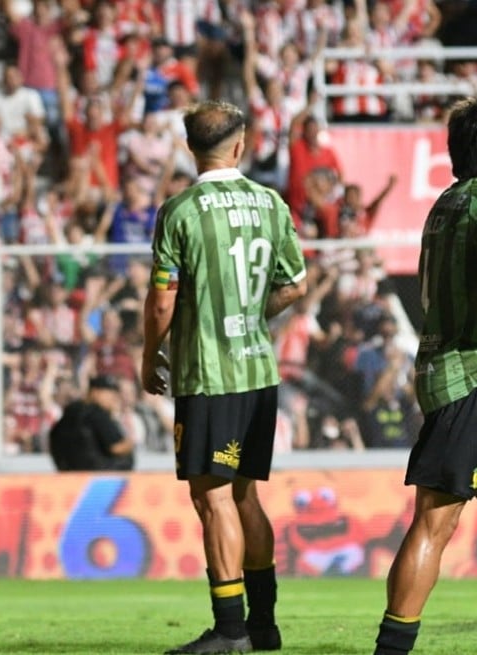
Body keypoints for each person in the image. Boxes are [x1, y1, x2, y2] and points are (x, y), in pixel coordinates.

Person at [141, 100, 308, 655]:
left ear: (191, 149)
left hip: (209, 376)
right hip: (259, 371)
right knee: (245, 497)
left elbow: (161, 302)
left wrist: (149, 353)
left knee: (212, 500)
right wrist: (251, 315)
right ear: (240, 145)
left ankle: (230, 629)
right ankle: (264, 624)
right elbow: (295, 283)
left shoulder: (179, 211)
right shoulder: (271, 202)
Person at [372, 93, 477, 655]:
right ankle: (391, 650)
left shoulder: (447, 201)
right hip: (467, 379)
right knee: (436, 522)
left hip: (471, 375)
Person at [49, 374, 134, 471]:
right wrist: (129, 444)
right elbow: (116, 447)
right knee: (127, 457)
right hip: (96, 473)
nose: (114, 398)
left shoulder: (71, 409)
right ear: (95, 392)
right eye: (110, 393)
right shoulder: (98, 412)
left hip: (66, 471)